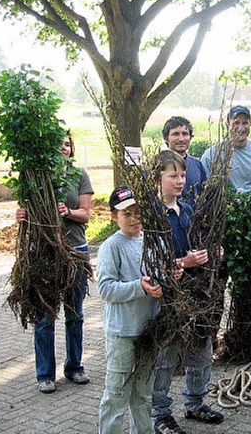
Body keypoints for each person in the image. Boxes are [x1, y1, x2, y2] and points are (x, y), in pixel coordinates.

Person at [151, 150, 224, 434]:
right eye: (173, 176)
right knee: (167, 356)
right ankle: (160, 413)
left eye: (182, 175)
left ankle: (195, 403)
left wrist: (211, 252)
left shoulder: (187, 209)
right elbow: (149, 260)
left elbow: (196, 241)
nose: (180, 181)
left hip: (195, 293)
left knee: (201, 350)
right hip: (168, 295)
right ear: (158, 178)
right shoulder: (153, 215)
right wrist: (183, 262)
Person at [15, 131, 93, 394]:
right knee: (45, 317)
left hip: (75, 251)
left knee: (75, 314)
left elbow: (86, 215)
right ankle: (45, 374)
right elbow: (27, 211)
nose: (63, 147)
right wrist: (22, 214)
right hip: (45, 253)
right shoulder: (37, 177)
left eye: (67, 143)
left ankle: (74, 367)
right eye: (58, 143)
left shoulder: (79, 174)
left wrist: (69, 212)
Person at [97, 186, 167, 434]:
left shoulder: (152, 241)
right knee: (116, 396)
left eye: (138, 213)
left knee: (143, 395)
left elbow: (159, 277)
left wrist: (168, 279)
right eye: (126, 214)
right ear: (113, 217)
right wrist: (139, 287)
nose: (134, 219)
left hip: (149, 330)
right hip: (123, 333)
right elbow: (105, 289)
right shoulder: (111, 246)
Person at [200, 105, 251, 193]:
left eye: (245, 123)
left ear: (250, 124)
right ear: (227, 124)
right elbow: (203, 188)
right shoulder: (212, 155)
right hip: (222, 205)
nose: (241, 128)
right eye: (236, 123)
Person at [162, 116, 208, 208]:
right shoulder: (157, 165)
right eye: (175, 134)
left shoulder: (197, 165)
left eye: (185, 134)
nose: (181, 139)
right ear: (166, 138)